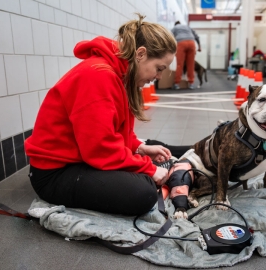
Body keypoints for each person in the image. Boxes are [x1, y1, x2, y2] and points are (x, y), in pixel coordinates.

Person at [24, 14, 185, 216]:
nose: (158, 77)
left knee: (153, 159)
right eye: (159, 68)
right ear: (141, 54)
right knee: (142, 193)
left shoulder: (117, 74)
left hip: (78, 159)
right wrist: (150, 170)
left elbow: (112, 130)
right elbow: (100, 148)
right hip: (54, 174)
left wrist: (140, 147)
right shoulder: (99, 76)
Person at [171, 21, 201, 90]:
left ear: (175, 24)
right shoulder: (187, 27)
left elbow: (170, 36)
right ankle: (191, 83)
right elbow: (196, 36)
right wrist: (199, 46)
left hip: (181, 43)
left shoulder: (175, 27)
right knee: (191, 64)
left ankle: (177, 84)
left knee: (180, 65)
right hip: (191, 42)